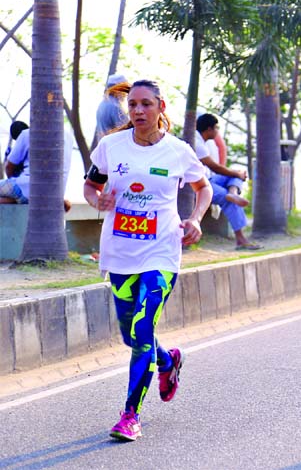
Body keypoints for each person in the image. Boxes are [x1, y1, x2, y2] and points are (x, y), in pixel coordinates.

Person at [83, 79, 212, 441]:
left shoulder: (178, 151)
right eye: (133, 105)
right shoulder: (111, 147)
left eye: (145, 104)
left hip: (162, 251)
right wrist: (98, 202)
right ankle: (168, 361)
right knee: (131, 333)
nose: (138, 111)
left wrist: (196, 219)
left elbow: (204, 188)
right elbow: (90, 186)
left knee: (142, 331)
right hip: (120, 253)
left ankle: (129, 415)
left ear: (161, 107)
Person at [194, 113, 260, 250]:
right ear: (209, 129)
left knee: (236, 175)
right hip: (198, 185)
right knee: (229, 195)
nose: (217, 132)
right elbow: (215, 167)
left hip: (209, 180)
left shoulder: (202, 141)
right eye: (216, 128)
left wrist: (237, 174)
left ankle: (233, 191)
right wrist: (237, 174)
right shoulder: (196, 142)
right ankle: (241, 239)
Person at [1, 121, 73, 211]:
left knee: (18, 191)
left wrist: (13, 180)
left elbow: (8, 167)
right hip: (53, 194)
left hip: (27, 188)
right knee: (19, 196)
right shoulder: (68, 136)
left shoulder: (26, 134)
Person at [93, 73, 129, 147]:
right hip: (115, 149)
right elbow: (127, 133)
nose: (125, 93)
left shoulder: (103, 104)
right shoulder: (115, 107)